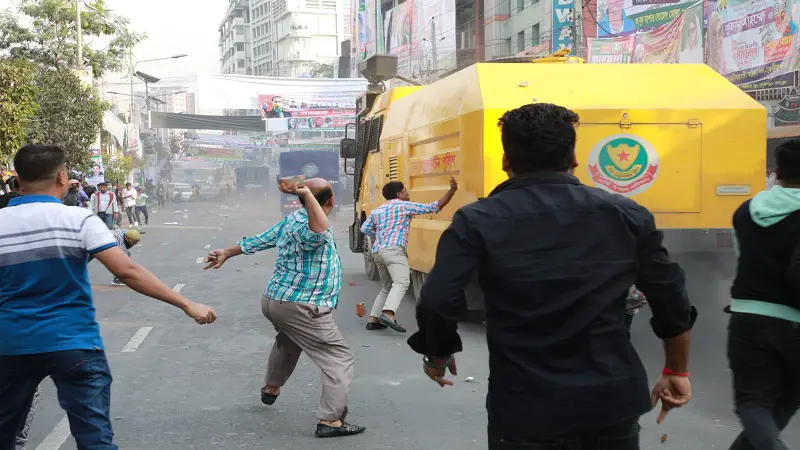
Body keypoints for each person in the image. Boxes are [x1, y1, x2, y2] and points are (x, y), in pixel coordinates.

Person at [407, 104, 697, 449]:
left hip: (525, 407)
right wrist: (675, 371)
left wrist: (438, 353)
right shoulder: (627, 215)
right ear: (573, 159)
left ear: (506, 162)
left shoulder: (477, 220)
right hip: (610, 404)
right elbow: (671, 298)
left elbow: (438, 301)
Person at [0, 144, 217, 450]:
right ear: (62, 177)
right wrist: (186, 303)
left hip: (11, 344)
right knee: (94, 437)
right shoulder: (79, 220)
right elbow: (126, 271)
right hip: (74, 344)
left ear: (18, 180)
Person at [204, 178, 365, 438]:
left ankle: (272, 387)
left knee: (289, 340)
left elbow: (262, 240)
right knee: (338, 358)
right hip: (302, 305)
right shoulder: (312, 226)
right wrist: (309, 195)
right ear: (332, 200)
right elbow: (320, 230)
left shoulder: (294, 219)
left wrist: (228, 252)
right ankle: (331, 420)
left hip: (276, 300)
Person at [727, 139, 800, 450]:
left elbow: (740, 256)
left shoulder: (745, 211)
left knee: (755, 404)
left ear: (777, 170)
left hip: (748, 316)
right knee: (786, 401)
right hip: (795, 321)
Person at [359, 178, 458, 332]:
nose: (408, 192)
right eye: (405, 190)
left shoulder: (378, 210)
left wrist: (379, 236)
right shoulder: (404, 206)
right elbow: (434, 206)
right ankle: (388, 313)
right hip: (393, 251)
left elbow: (364, 228)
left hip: (378, 251)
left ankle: (373, 319)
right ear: (399, 193)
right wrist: (451, 191)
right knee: (402, 282)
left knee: (387, 287)